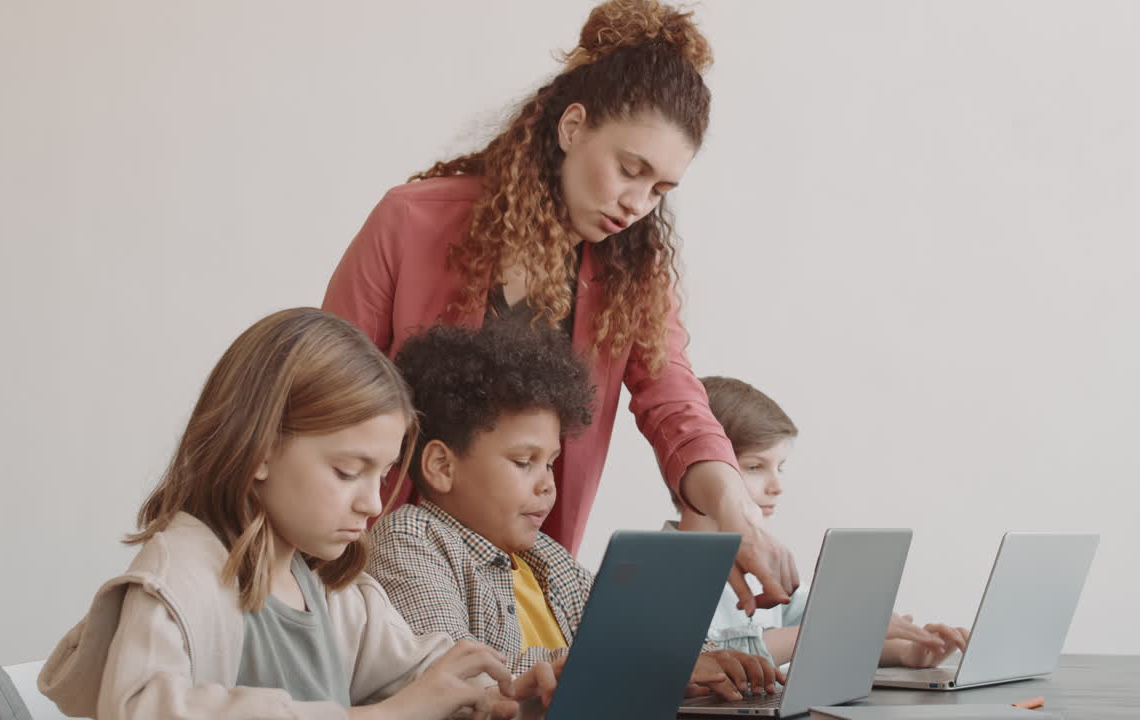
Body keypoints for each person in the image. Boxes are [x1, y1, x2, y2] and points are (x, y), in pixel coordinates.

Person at [323, 0, 796, 615]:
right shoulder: (412, 221)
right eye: (629, 169)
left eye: (660, 189)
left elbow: (674, 400)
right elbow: (325, 394)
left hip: (523, 577)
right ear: (572, 127)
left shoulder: (633, 272)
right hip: (379, 562)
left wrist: (737, 516)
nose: (637, 203)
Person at [37, 308, 555, 720]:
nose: (373, 503)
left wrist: (512, 699)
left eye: (381, 475)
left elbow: (423, 680)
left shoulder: (331, 592)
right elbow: (142, 712)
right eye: (348, 471)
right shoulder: (180, 574)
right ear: (260, 451)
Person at [370, 322, 787, 703]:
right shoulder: (411, 538)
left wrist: (709, 659)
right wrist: (649, 665)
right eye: (523, 461)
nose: (546, 483)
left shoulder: (546, 559)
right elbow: (455, 677)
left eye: (550, 462)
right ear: (442, 466)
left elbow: (637, 633)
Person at [670, 376, 970, 668]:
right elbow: (697, 661)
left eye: (780, 468)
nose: (777, 485)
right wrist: (839, 627)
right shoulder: (662, 573)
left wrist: (907, 650)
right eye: (754, 467)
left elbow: (820, 626)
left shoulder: (761, 565)